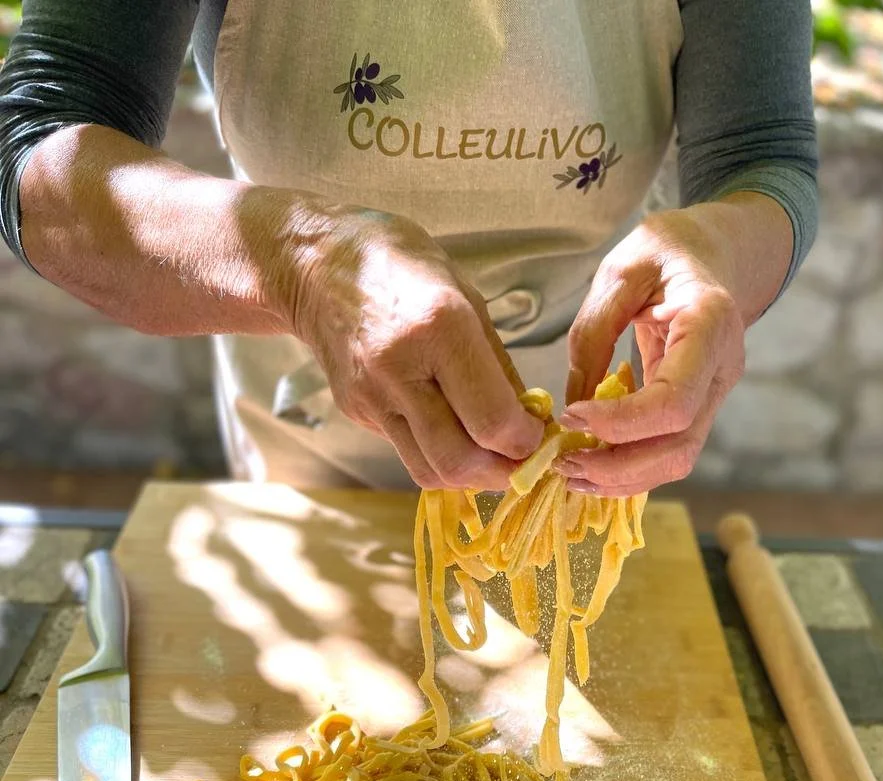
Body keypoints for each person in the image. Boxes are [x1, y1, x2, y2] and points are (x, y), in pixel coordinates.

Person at [0, 2, 817, 497]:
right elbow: (40, 150)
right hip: (308, 453)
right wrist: (302, 264)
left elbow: (763, 153)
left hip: (584, 460)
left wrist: (716, 251)